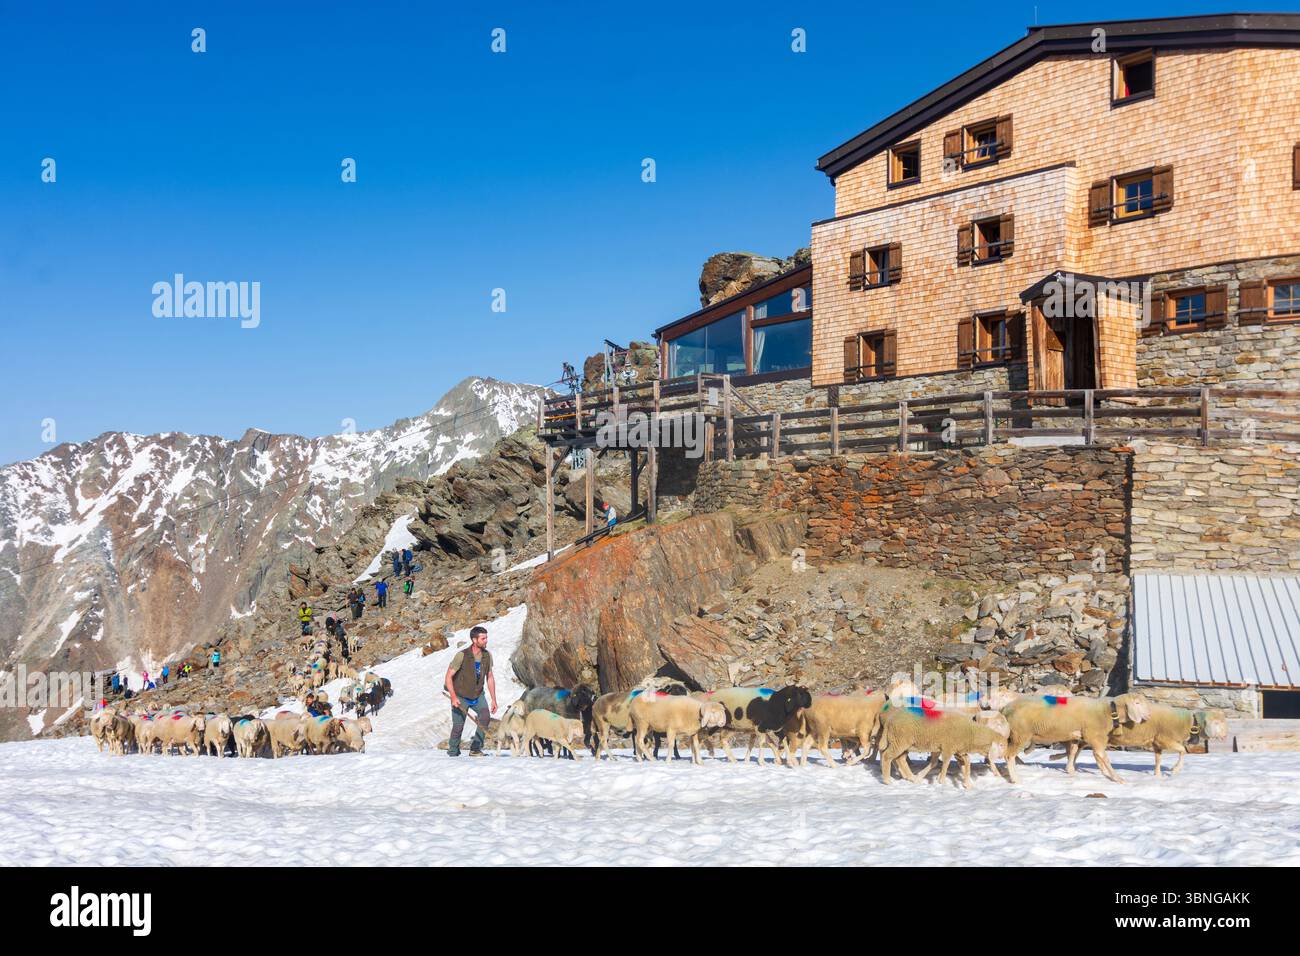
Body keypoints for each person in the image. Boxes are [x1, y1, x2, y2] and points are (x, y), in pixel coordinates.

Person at [444, 625, 497, 757]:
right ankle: (453, 752)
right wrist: (453, 697)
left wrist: (493, 699)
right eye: (483, 638)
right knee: (458, 726)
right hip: (460, 696)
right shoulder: (461, 655)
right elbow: (448, 677)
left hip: (478, 695)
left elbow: (489, 677)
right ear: (474, 640)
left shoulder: (487, 656)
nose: (486, 641)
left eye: (486, 638)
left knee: (484, 717)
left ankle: (475, 748)